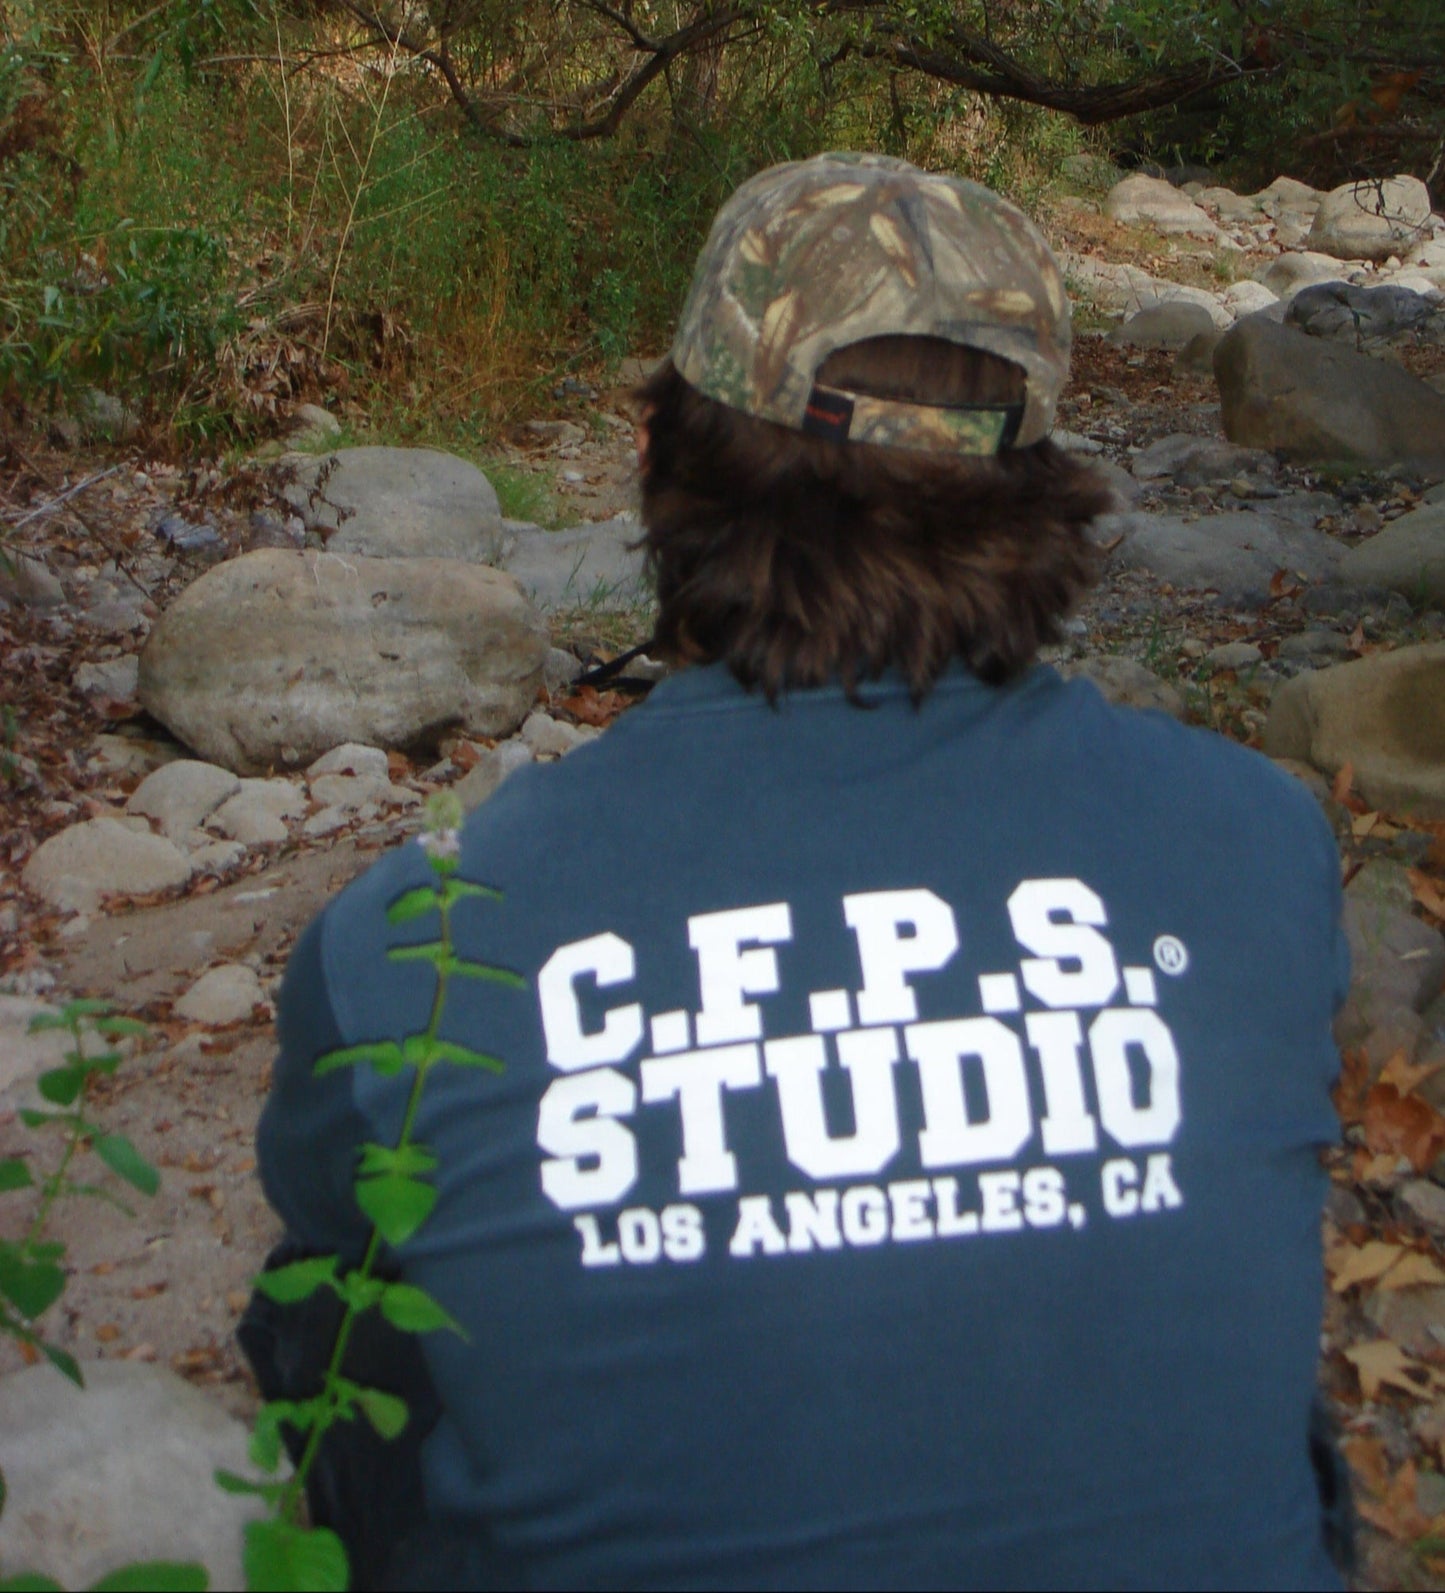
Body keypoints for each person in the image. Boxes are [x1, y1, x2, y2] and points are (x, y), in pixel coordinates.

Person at [246, 152, 1351, 1590]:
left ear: (656, 465)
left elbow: (331, 1296)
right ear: (1041, 500)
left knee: (321, 1307)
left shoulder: (414, 937)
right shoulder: (1258, 839)